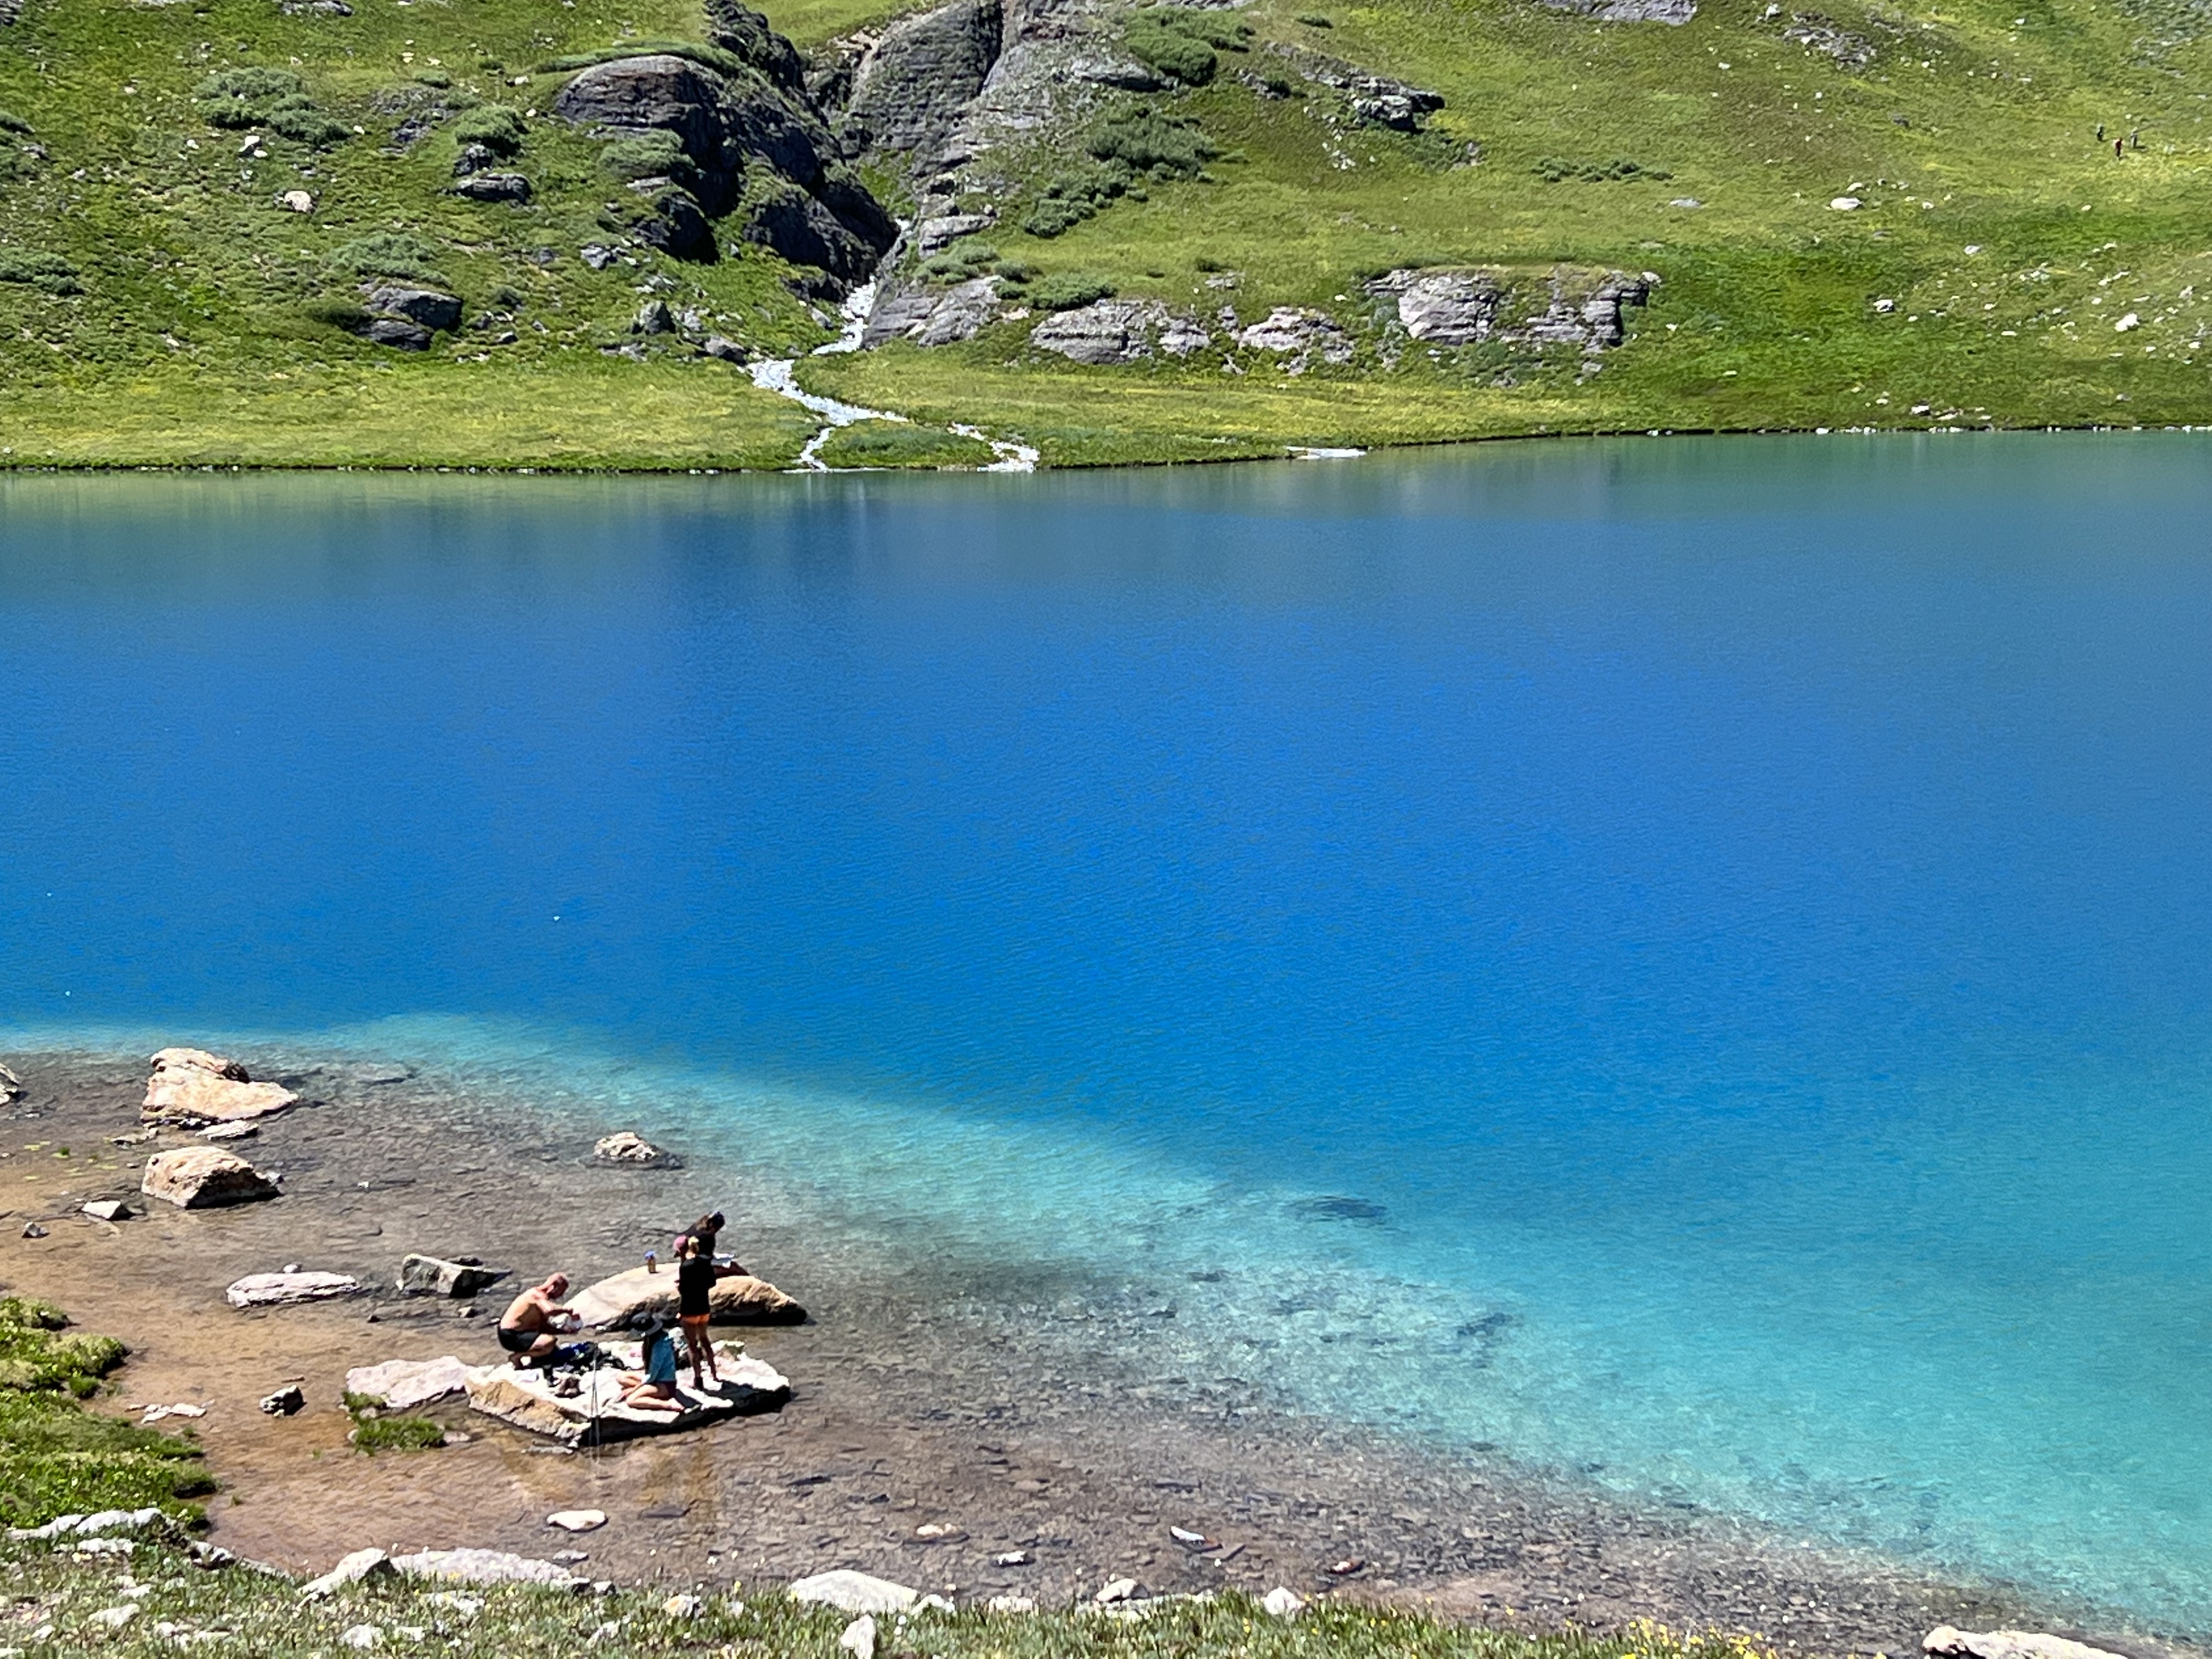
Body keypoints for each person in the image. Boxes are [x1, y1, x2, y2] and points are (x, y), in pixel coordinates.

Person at [496, 1273, 578, 1368]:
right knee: (549, 1343)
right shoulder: (536, 1294)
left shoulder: (541, 1300)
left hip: (522, 1334)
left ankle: (526, 1360)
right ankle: (518, 1356)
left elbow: (544, 1327)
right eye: (561, 1291)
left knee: (553, 1352)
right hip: (510, 1335)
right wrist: (568, 1311)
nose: (561, 1296)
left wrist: (565, 1332)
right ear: (553, 1287)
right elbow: (550, 1311)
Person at [675, 1233, 721, 1389]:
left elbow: (683, 1290)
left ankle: (698, 1379)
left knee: (692, 1345)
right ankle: (714, 1374)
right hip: (704, 1307)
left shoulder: (685, 1267)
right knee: (705, 1340)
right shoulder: (706, 1263)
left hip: (689, 1310)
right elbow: (712, 1283)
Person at [616, 1312, 685, 1414]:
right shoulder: (652, 1340)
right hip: (654, 1380)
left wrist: (633, 1390)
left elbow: (652, 1375)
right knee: (621, 1377)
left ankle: (669, 1404)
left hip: (664, 1384)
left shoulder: (660, 1346)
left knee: (631, 1400)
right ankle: (645, 1390)